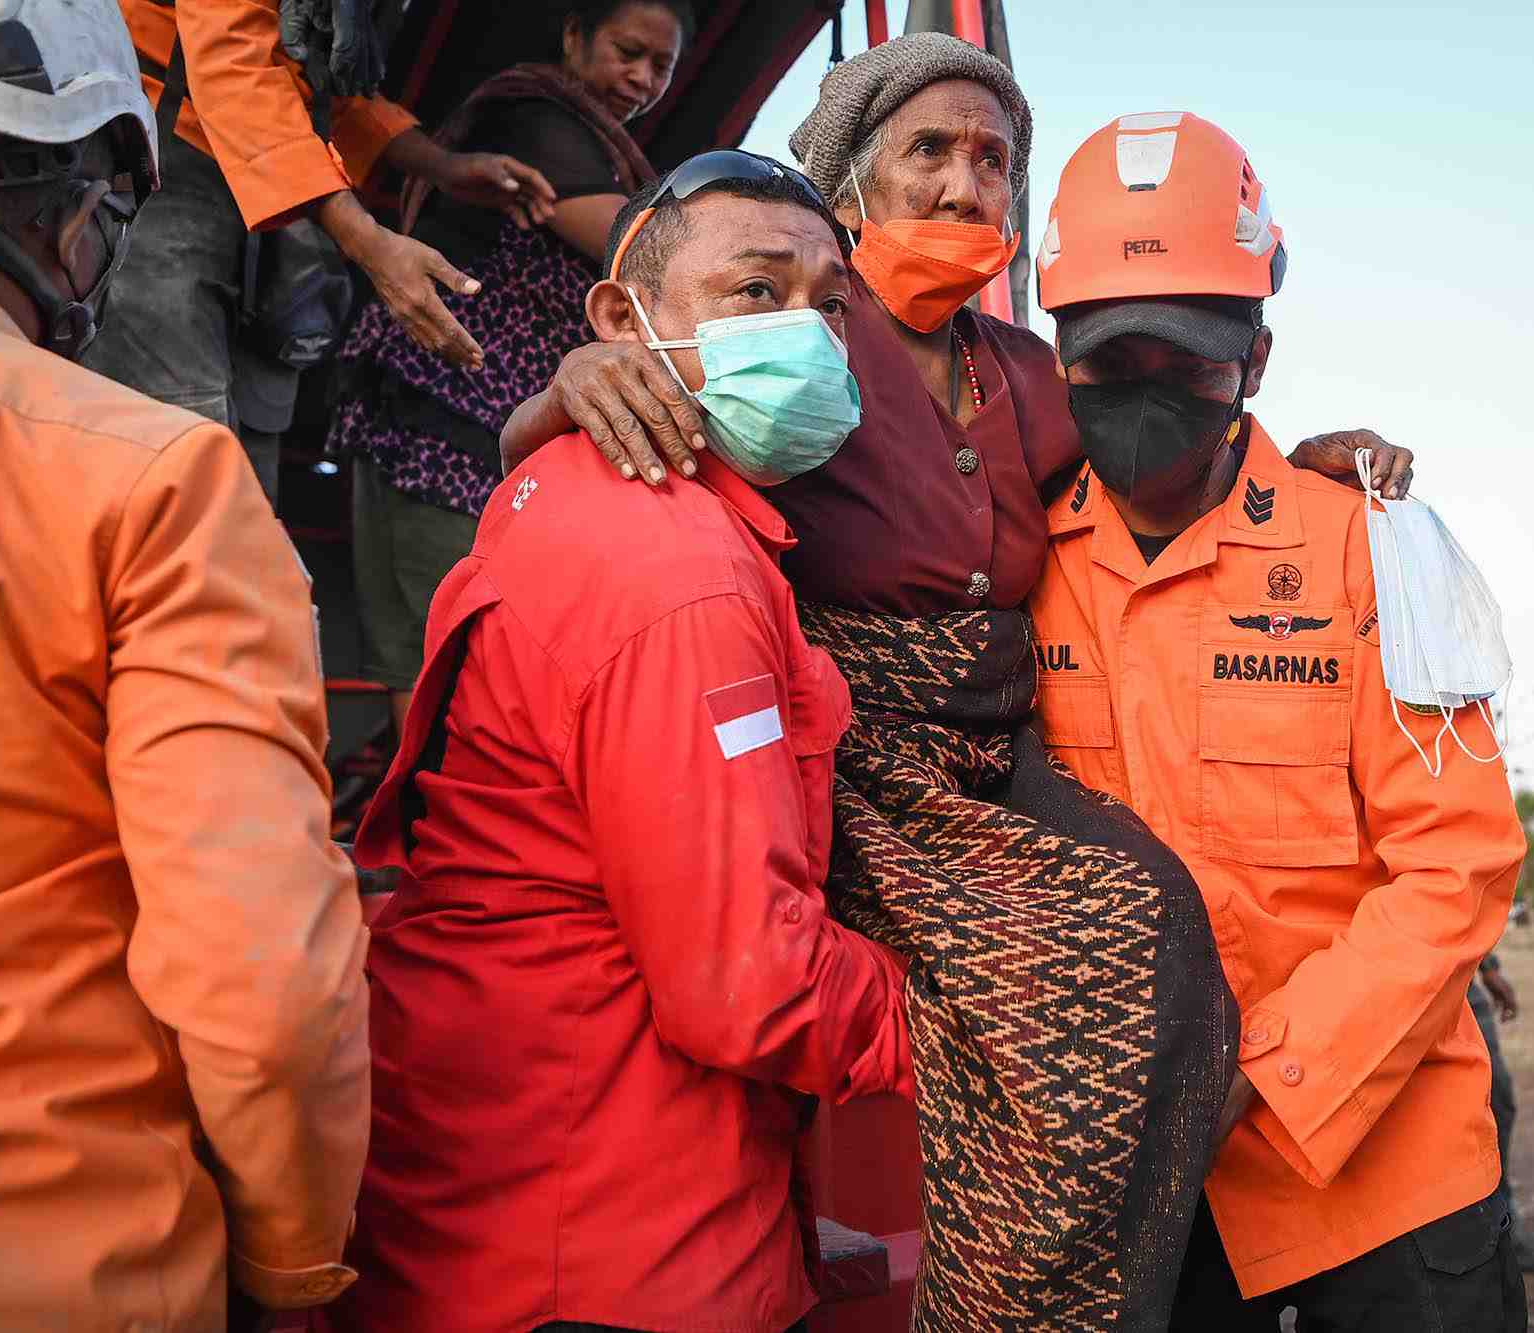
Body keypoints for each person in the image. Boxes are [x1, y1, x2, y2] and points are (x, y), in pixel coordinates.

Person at [496, 34, 1415, 1328]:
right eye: (927, 149)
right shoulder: (797, 341)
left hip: (999, 743)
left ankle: (1112, 1292)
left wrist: (1298, 461)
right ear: (852, 174)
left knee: (1156, 921)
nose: (962, 183)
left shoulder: (1028, 372)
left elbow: (1163, 456)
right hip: (865, 755)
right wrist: (575, 381)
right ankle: (1007, 1298)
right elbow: (644, 393)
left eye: (993, 159)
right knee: (1068, 975)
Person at [336, 153, 914, 1333]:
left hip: (486, 1208)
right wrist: (970, 1014)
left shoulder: (557, 481)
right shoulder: (681, 575)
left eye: (829, 305)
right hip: (618, 1241)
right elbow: (749, 985)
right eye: (755, 292)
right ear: (620, 319)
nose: (803, 333)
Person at [0, 3, 369, 1328]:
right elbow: (262, 992)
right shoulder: (150, 479)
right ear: (74, 216)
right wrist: (294, 1256)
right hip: (40, 1266)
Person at [1025, 111, 1529, 1329]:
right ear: (1056, 353)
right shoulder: (1011, 558)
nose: (1144, 392)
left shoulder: (1373, 546)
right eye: (1109, 362)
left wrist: (1259, 1074)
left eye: (1185, 363)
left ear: (1253, 356)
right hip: (1150, 1190)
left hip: (1386, 1174)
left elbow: (1456, 861)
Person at [331, 0, 688, 736]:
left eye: (662, 67)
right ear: (573, 35)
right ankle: (440, 834)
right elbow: (643, 254)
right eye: (628, 51)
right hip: (443, 412)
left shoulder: (600, 144)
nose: (642, 77)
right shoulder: (538, 117)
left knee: (471, 643)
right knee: (447, 641)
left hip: (496, 424)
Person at [86, 0, 560, 501]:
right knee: (182, 464)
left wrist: (441, 166)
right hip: (160, 163)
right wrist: (366, 240)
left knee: (247, 463)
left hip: (260, 191)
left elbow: (309, 82)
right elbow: (233, 65)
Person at [1472, 953, 1534, 1271]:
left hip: (1456, 984)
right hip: (1384, 976)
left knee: (1496, 1103)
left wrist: (1488, 967)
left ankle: (1500, 1226)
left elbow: (1463, 902)